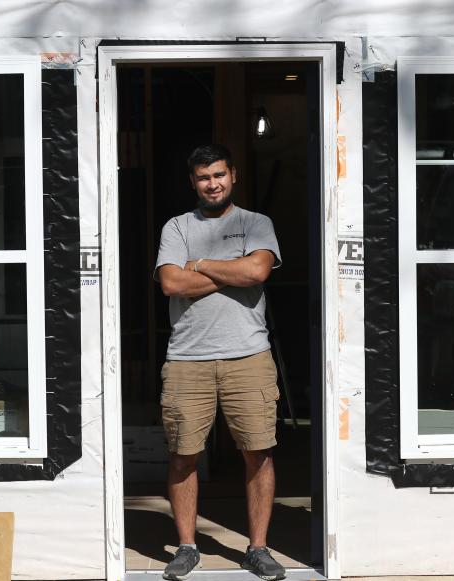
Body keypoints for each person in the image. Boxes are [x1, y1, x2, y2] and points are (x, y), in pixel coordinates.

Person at [154, 144, 286, 581]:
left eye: (219, 175)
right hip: (187, 359)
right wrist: (233, 268)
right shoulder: (176, 226)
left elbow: (257, 274)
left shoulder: (256, 223)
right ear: (193, 182)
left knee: (258, 453)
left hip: (248, 355)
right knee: (182, 455)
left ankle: (258, 548)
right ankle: (187, 547)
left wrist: (204, 266)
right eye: (203, 177)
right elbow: (172, 282)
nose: (212, 184)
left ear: (233, 175)